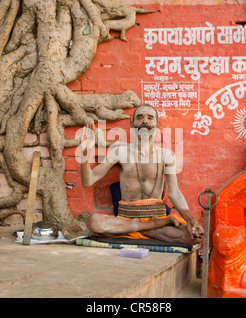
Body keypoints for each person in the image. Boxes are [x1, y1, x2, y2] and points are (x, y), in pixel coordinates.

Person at [79, 104, 204, 245]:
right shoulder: (119, 152)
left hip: (153, 219)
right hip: (126, 218)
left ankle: (139, 229)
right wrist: (85, 153)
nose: (145, 121)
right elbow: (88, 181)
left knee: (195, 237)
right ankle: (147, 229)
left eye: (150, 118)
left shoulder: (167, 155)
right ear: (132, 125)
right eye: (140, 117)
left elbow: (174, 193)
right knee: (94, 221)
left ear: (157, 125)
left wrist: (192, 221)